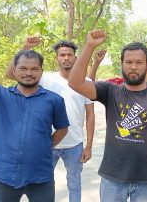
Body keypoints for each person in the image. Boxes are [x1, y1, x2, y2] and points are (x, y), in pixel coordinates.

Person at [68, 30, 147, 202]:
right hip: (112, 177)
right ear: (122, 64)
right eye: (129, 62)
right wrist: (89, 46)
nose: (133, 67)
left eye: (139, 62)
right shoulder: (110, 91)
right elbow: (75, 82)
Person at [0, 44, 69, 202]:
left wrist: (45, 144)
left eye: (34, 69)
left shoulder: (54, 100)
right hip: (5, 176)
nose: (28, 73)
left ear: (41, 72)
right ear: (14, 71)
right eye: (22, 68)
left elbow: (62, 128)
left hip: (41, 175)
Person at [6, 37, 95, 202]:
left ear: (75, 57)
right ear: (57, 58)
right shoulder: (45, 78)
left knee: (74, 183)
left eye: (69, 54)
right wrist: (25, 48)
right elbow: (13, 74)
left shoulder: (86, 82)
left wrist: (89, 145)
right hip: (48, 143)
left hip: (75, 144)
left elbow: (90, 115)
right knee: (43, 184)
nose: (66, 58)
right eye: (62, 55)